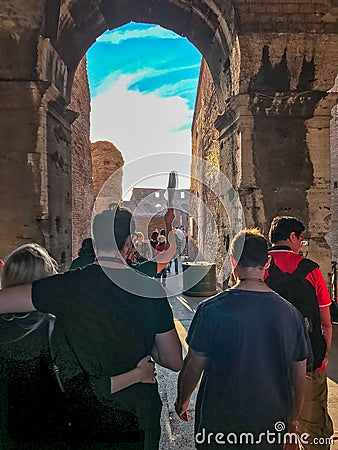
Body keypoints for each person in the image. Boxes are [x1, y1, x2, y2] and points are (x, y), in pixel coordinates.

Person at [0, 205, 183, 449]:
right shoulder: (149, 290)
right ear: (129, 243)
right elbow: (174, 361)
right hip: (137, 412)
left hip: (86, 416)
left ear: (96, 243)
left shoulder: (65, 286)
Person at [175, 229, 308, 449]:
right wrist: (293, 419)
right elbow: (298, 373)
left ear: (232, 260)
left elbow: (193, 364)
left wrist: (183, 399)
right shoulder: (290, 313)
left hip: (220, 424)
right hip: (270, 422)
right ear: (267, 263)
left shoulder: (211, 309)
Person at [266, 216, 333, 449]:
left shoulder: (259, 269)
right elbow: (325, 322)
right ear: (293, 237)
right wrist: (323, 353)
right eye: (301, 240)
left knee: (274, 430)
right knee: (315, 429)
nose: (300, 245)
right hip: (308, 362)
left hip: (269, 365)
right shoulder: (311, 270)